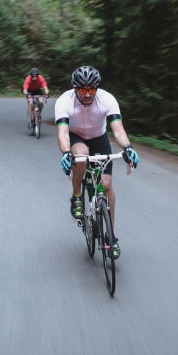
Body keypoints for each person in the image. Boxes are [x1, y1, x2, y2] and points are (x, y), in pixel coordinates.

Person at [54, 65, 139, 259]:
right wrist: (67, 153)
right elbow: (63, 133)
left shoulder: (107, 99)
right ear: (75, 88)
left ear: (97, 88)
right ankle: (76, 195)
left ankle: (110, 236)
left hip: (99, 138)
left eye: (91, 89)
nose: (87, 94)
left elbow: (117, 129)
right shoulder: (64, 101)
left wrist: (128, 147)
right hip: (76, 138)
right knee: (81, 155)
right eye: (82, 90)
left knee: (107, 185)